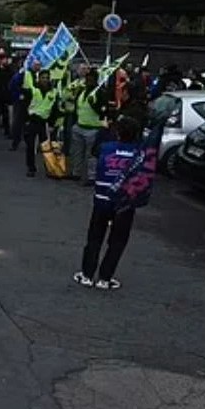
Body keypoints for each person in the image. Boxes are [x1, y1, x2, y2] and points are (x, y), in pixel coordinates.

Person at [73, 116, 156, 291]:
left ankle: (87, 274)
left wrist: (105, 129)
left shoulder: (106, 148)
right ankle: (105, 278)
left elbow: (95, 151)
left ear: (117, 132)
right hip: (125, 202)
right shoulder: (140, 154)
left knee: (95, 238)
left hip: (102, 199)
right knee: (118, 241)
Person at [70, 67, 107, 184]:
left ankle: (91, 177)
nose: (89, 80)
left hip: (93, 128)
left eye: (91, 79)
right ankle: (76, 173)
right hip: (79, 125)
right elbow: (77, 107)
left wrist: (94, 105)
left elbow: (103, 111)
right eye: (87, 78)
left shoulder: (100, 92)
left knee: (91, 155)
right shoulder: (82, 91)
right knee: (77, 152)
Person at [22, 70, 60, 178]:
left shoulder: (53, 92)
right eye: (43, 78)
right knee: (30, 145)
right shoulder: (33, 90)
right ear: (39, 79)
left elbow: (54, 109)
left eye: (47, 78)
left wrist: (53, 124)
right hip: (33, 120)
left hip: (45, 122)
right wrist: (25, 120)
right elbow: (25, 105)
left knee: (46, 147)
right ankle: (31, 167)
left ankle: (49, 167)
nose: (45, 80)